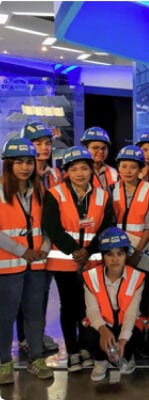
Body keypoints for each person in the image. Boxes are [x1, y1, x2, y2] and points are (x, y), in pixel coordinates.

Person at [42, 145, 115, 372]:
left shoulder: (103, 196)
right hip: (63, 262)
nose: (80, 173)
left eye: (84, 168)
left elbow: (106, 226)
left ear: (92, 170)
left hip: (92, 262)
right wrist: (75, 251)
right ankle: (72, 351)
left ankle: (85, 347)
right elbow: (52, 227)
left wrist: (87, 251)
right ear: (67, 172)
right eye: (74, 169)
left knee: (88, 307)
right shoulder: (55, 193)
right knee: (69, 307)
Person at [0, 137, 53, 384]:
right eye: (19, 162)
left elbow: (49, 224)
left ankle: (37, 358)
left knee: (35, 314)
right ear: (8, 164)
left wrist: (44, 247)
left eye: (29, 162)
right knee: (5, 316)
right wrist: (22, 252)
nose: (25, 167)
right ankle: (3, 363)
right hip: (8, 266)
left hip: (37, 265)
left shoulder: (39, 191)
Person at [19, 121, 61, 353]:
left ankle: (36, 334)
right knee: (21, 297)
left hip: (48, 246)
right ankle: (25, 339)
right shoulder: (21, 175)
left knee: (41, 293)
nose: (43, 148)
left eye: (47, 143)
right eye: (38, 144)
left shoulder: (55, 175)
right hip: (24, 247)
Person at [82, 227, 145, 382]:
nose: (114, 259)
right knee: (89, 334)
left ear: (126, 255)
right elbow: (92, 310)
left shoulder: (137, 277)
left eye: (120, 253)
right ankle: (101, 360)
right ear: (103, 256)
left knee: (134, 336)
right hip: (104, 324)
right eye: (109, 254)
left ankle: (125, 357)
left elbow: (131, 314)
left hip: (126, 325)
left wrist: (123, 339)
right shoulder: (91, 276)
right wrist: (103, 330)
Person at [112, 145, 149, 266]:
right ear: (118, 168)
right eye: (124, 166)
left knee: (143, 283)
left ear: (140, 169)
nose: (128, 171)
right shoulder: (112, 189)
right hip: (117, 249)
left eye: (133, 167)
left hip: (144, 249)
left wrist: (137, 253)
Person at [80, 126, 118, 191]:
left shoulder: (113, 172)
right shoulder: (77, 172)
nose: (100, 151)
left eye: (103, 148)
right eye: (95, 148)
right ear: (85, 149)